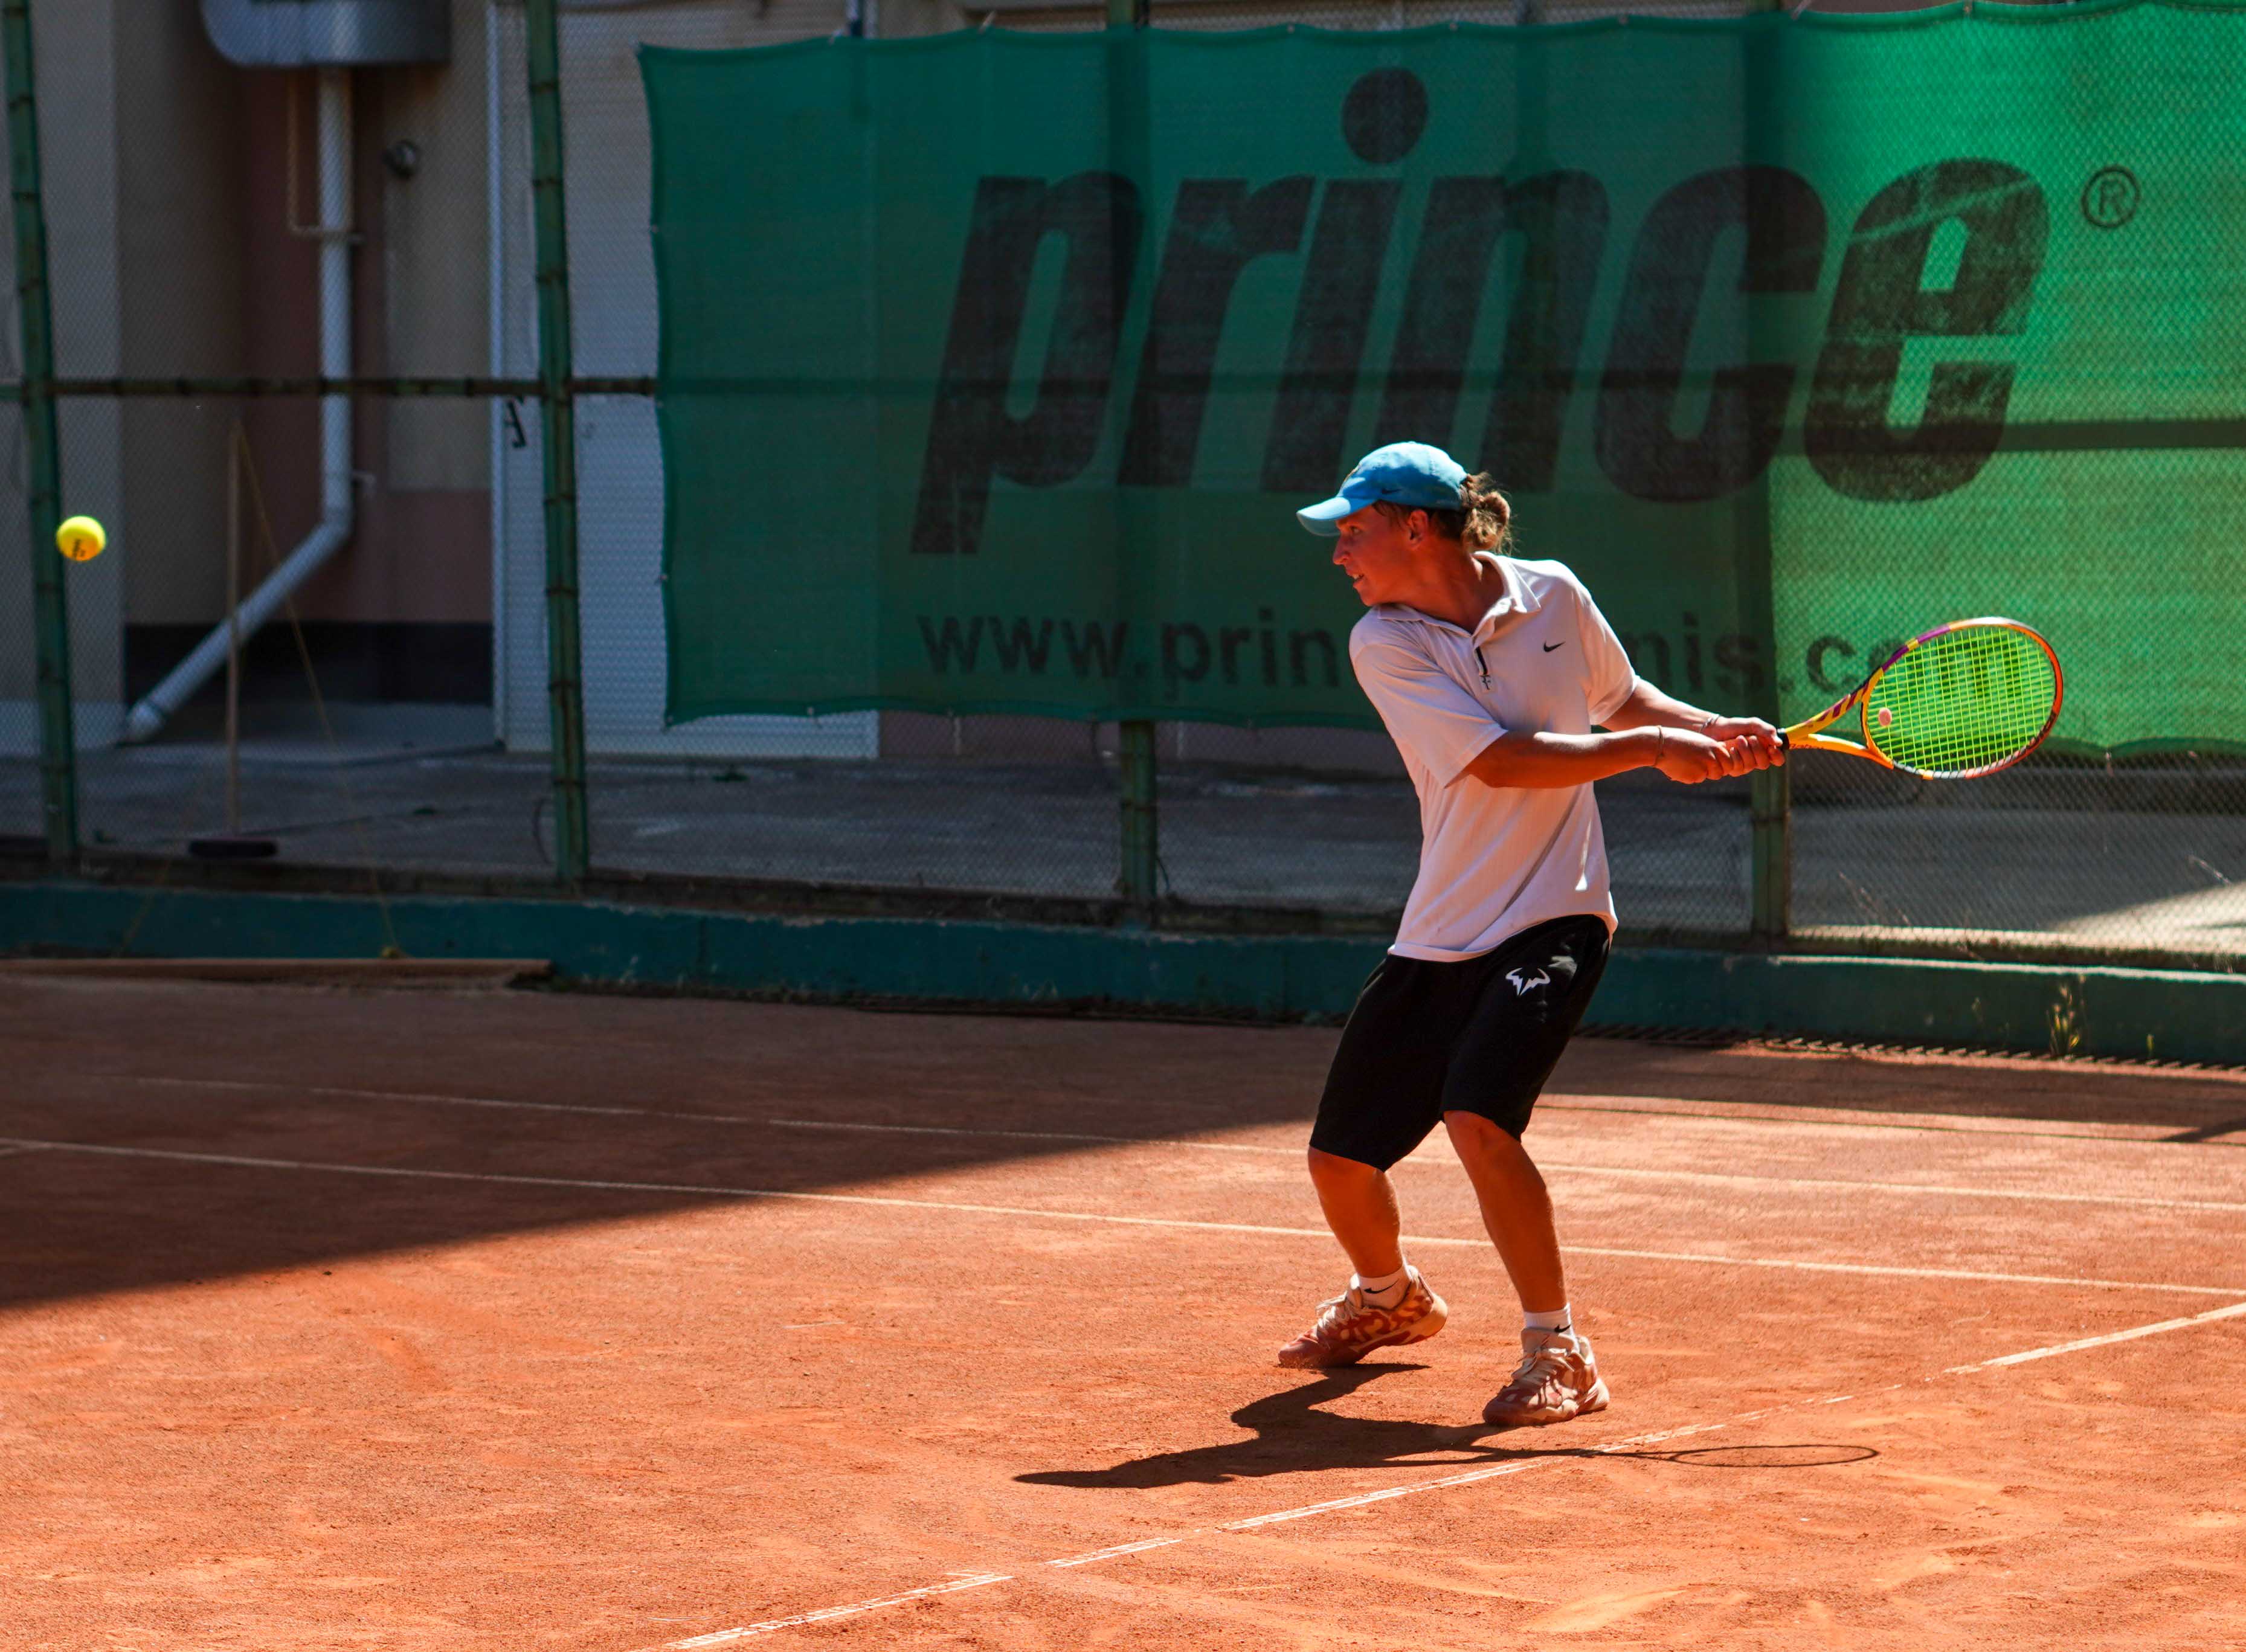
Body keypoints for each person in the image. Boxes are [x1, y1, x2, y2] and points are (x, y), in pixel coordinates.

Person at [1279, 441, 1783, 1427]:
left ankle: (1558, 1352)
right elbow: (1501, 761)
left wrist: (1708, 728)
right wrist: (1653, 749)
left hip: (1557, 910)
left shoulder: (1551, 594)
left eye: (1352, 531)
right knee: (1339, 1160)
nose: (1338, 553)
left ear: (1415, 528)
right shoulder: (1383, 642)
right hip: (1442, 927)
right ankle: (1387, 1299)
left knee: (1477, 1118)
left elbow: (1621, 699)